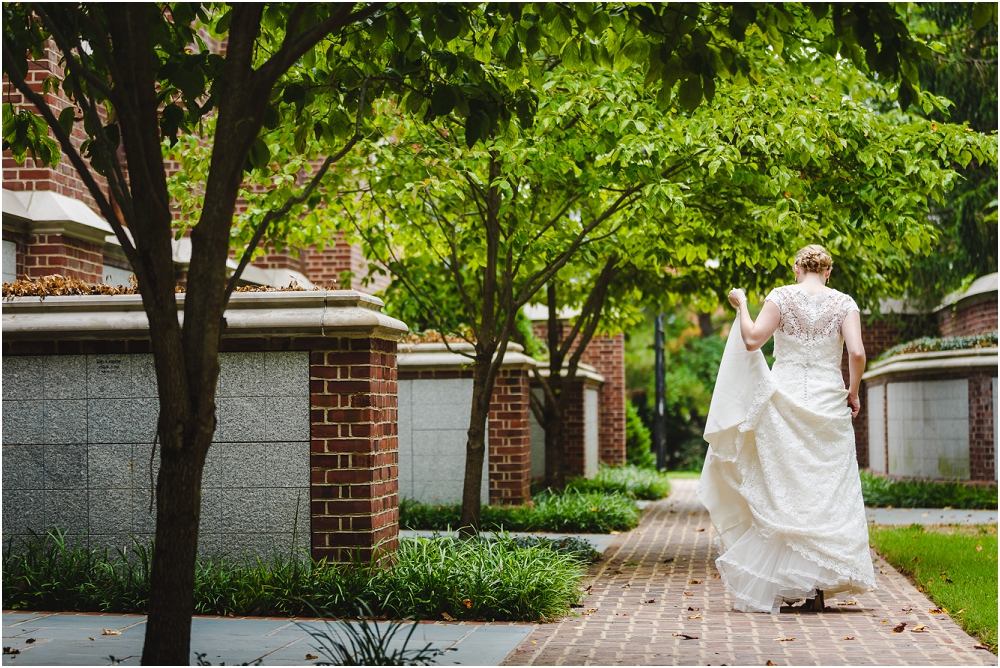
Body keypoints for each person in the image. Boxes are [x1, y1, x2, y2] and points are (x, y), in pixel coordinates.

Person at [698, 244, 876, 614]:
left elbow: (751, 340)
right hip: (829, 400)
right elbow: (857, 353)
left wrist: (742, 304)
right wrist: (853, 392)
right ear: (828, 272)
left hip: (784, 400)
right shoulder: (844, 303)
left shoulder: (781, 296)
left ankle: (795, 579)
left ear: (797, 268)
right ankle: (819, 583)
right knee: (828, 489)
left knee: (787, 487)